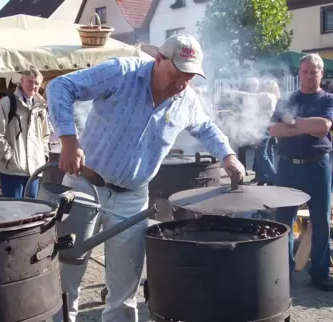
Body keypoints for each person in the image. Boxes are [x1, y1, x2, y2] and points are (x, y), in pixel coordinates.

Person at [47, 34, 245, 322]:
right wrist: (68, 139)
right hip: (84, 186)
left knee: (125, 283)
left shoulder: (185, 100)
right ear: (159, 60)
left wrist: (228, 156)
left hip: (133, 197)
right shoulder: (120, 72)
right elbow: (60, 86)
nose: (181, 83)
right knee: (68, 273)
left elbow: (206, 128)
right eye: (177, 73)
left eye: (188, 77)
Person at [270, 53, 333, 292]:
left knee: (321, 223)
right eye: (305, 72)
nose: (309, 76)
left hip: (318, 167)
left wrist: (293, 123)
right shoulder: (286, 99)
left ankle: (320, 273)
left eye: (314, 72)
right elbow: (274, 130)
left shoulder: (329, 99)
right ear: (299, 74)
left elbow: (323, 127)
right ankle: (283, 272)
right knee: (284, 223)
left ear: (322, 73)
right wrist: (307, 126)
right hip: (287, 168)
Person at [0, 68, 50, 198]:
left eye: (37, 83)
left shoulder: (41, 107)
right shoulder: (6, 103)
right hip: (12, 170)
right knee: (13, 211)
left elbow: (45, 135)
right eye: (30, 82)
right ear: (22, 81)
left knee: (32, 213)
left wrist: (43, 154)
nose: (33, 86)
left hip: (34, 170)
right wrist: (8, 155)